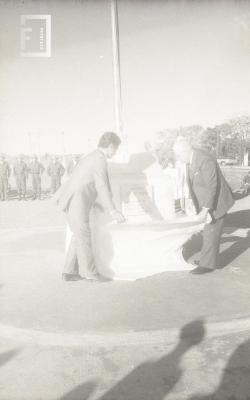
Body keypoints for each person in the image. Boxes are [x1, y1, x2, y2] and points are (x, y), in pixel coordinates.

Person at [54, 132, 126, 282]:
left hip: (74, 198)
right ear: (110, 146)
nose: (116, 152)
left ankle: (68, 271)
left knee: (78, 234)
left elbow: (85, 181)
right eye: (116, 149)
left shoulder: (91, 156)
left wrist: (95, 202)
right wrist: (113, 210)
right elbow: (101, 185)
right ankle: (90, 273)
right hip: (77, 200)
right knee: (83, 235)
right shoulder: (99, 159)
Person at [173, 138, 235, 274]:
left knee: (211, 231)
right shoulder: (191, 160)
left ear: (185, 151)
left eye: (178, 155)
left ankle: (207, 265)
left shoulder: (204, 159)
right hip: (208, 201)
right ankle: (206, 260)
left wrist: (206, 210)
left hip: (217, 201)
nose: (177, 158)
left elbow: (212, 186)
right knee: (208, 231)